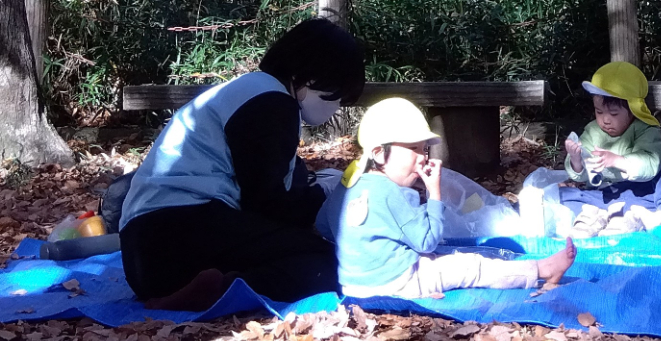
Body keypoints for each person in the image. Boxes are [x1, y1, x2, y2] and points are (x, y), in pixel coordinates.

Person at [117, 17, 365, 311]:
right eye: (335, 96)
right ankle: (224, 289)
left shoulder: (244, 90)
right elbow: (267, 204)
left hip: (142, 256)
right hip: (180, 233)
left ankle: (210, 288)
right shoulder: (271, 101)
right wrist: (325, 196)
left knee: (304, 252)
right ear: (309, 77)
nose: (336, 108)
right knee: (332, 263)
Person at [338, 98, 575, 298]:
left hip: (353, 286)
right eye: (414, 149)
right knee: (470, 266)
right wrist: (434, 193)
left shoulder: (349, 183)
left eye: (424, 149)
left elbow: (324, 224)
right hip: (396, 283)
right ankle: (541, 270)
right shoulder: (396, 195)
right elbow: (428, 242)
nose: (422, 158)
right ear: (379, 153)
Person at [557, 61, 661, 235]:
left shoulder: (646, 129)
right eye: (599, 112)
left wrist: (617, 160)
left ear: (634, 110)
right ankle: (598, 217)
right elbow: (584, 176)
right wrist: (576, 160)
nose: (605, 119)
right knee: (560, 194)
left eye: (613, 114)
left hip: (644, 197)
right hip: (604, 197)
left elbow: (651, 163)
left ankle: (659, 217)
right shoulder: (592, 131)